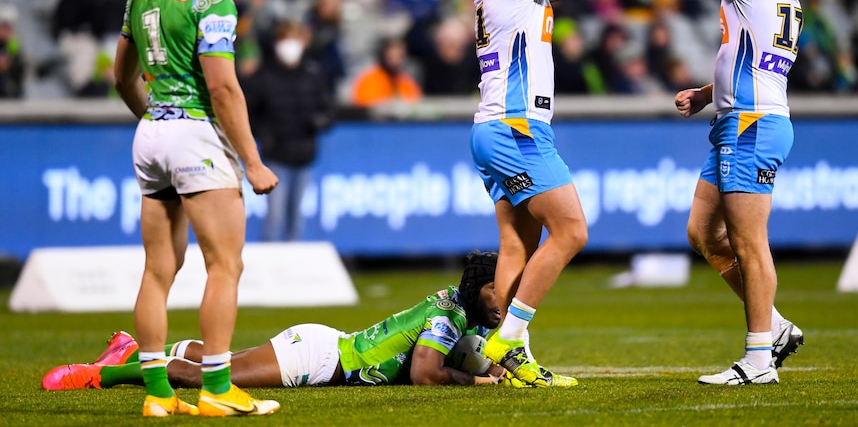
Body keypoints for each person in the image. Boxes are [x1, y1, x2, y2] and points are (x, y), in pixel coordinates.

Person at [467, 0, 662, 388]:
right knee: (572, 231)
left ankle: (507, 363)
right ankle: (509, 339)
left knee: (515, 247)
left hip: (492, 127)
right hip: (517, 129)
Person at [112, 0, 280, 417]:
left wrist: (150, 116)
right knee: (224, 264)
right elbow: (225, 90)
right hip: (194, 134)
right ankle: (216, 388)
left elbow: (121, 74)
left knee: (158, 269)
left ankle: (159, 396)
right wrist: (251, 161)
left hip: (151, 133)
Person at [638, 0, 805, 385]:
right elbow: (763, 62)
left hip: (752, 124)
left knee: (749, 243)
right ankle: (774, 326)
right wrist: (709, 93)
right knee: (703, 234)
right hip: (742, 119)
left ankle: (758, 361)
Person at [42, 252, 518, 390]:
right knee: (204, 377)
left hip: (326, 346)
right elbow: (424, 374)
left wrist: (500, 370)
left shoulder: (463, 315)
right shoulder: (448, 317)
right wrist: (482, 385)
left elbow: (474, 356)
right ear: (478, 286)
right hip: (318, 359)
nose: (506, 298)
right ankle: (98, 375)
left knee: (220, 359)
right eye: (501, 288)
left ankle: (126, 349)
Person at [243, 20, 335, 242]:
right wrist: (264, 135)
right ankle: (268, 268)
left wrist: (319, 122)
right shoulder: (264, 76)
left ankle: (292, 271)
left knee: (296, 219)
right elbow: (248, 113)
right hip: (276, 156)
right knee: (274, 218)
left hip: (304, 154)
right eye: (286, 39)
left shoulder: (312, 73)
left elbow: (329, 109)